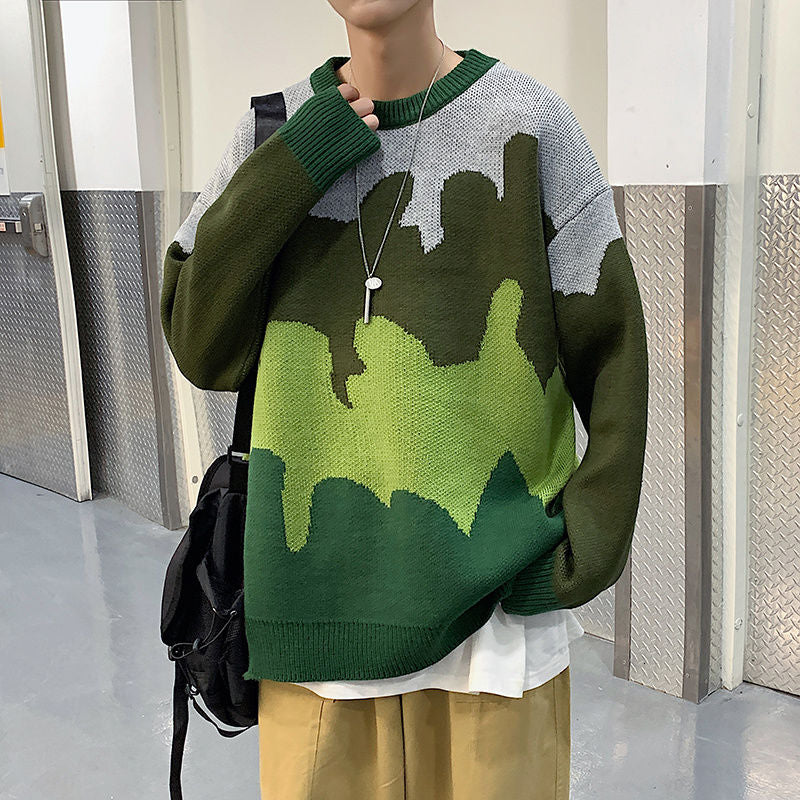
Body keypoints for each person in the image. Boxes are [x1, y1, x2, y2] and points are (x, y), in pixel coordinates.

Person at [160, 1, 649, 797]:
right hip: (314, 624)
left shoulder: (529, 125)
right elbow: (200, 344)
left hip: (494, 632)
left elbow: (615, 353)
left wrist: (584, 549)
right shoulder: (272, 134)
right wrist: (298, 163)